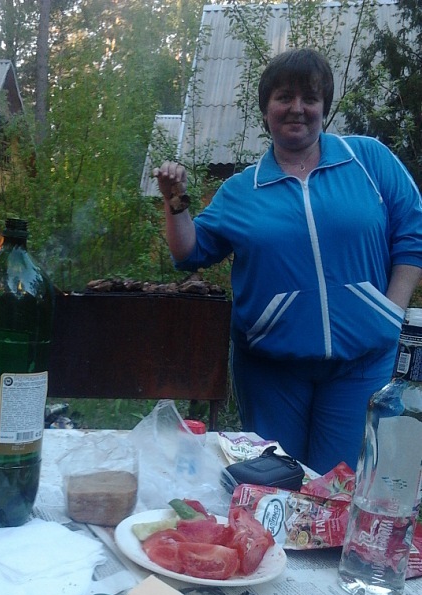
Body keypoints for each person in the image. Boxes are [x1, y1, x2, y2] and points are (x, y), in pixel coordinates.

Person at [154, 47, 422, 474]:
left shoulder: (368, 160)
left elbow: (413, 230)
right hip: (271, 371)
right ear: (266, 111)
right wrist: (175, 201)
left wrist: (391, 310)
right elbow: (190, 252)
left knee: (339, 487)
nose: (297, 108)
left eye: (310, 98)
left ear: (324, 107)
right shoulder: (242, 189)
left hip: (362, 362)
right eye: (284, 97)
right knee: (275, 484)